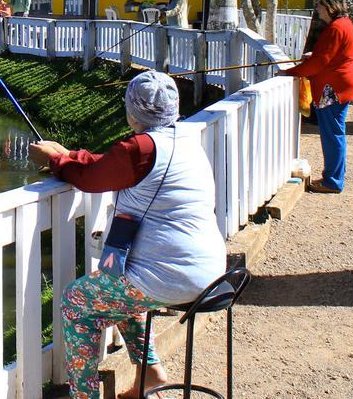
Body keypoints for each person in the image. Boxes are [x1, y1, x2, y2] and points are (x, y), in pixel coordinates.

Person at [29, 71, 225, 399]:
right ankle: (152, 377)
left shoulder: (141, 148)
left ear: (132, 111)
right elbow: (107, 165)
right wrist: (68, 156)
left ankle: (85, 396)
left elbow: (91, 179)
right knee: (115, 286)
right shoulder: (183, 139)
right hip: (212, 271)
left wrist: (55, 160)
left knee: (76, 301)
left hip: (171, 277)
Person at [279, 0, 353, 194]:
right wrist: (314, 55)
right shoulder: (345, 24)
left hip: (333, 88)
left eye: (319, 5)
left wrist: (290, 72)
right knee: (335, 134)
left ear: (329, 6)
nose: (317, 9)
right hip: (341, 84)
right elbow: (330, 54)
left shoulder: (335, 28)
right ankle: (333, 177)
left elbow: (319, 63)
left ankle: (332, 181)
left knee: (332, 135)